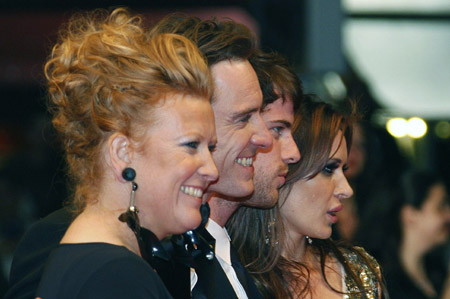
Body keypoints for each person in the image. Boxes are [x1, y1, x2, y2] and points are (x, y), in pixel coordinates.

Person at [7, 13, 272, 299]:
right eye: (190, 146)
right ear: (122, 152)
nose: (210, 170)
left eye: (209, 148)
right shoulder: (113, 274)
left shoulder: (102, 262)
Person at [228, 99, 387, 298]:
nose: (346, 190)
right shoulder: (230, 274)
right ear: (287, 167)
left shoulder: (357, 272)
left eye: (344, 170)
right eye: (329, 169)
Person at [382, 170, 450, 299]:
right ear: (410, 215)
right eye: (441, 206)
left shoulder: (436, 270)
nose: (449, 215)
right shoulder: (386, 285)